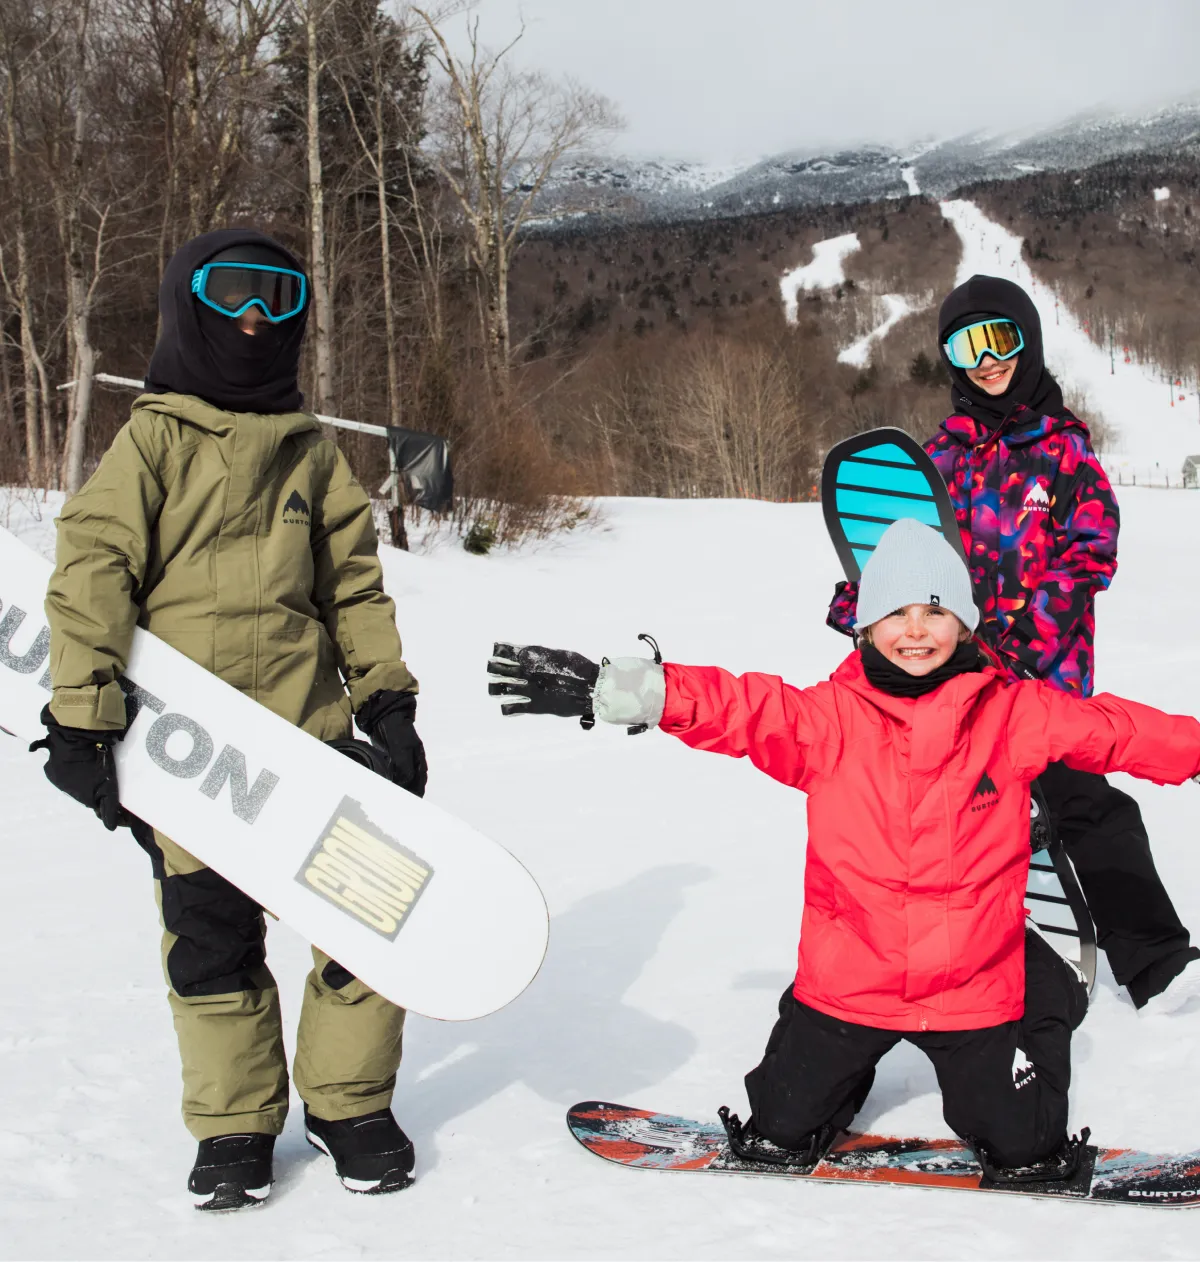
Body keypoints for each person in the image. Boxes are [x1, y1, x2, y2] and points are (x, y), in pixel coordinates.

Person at [485, 518, 1200, 1177]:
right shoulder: (827, 721)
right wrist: (624, 687)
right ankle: (827, 1061)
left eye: (935, 612)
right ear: (864, 625)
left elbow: (1121, 730)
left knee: (1025, 1147)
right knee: (779, 1133)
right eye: (895, 613)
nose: (915, 631)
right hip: (850, 980)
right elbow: (736, 706)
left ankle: (1041, 990)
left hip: (971, 987)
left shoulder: (1015, 715)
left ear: (965, 622)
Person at [34, 229, 427, 1210]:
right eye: (234, 295)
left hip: (310, 738)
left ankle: (349, 1103)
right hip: (191, 757)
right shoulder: (154, 442)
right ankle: (236, 1120)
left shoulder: (314, 455)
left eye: (279, 298)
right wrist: (83, 720)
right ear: (188, 306)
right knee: (212, 940)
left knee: (364, 924)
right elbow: (93, 572)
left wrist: (389, 700)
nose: (255, 317)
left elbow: (355, 589)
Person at [828, 274, 1200, 1014]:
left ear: (1027, 341)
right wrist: (865, 604)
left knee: (1088, 807)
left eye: (1000, 338)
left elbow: (1092, 550)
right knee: (937, 824)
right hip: (960, 680)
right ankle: (942, 977)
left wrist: (1032, 630)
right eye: (964, 345)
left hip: (1045, 678)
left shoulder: (1064, 451)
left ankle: (1158, 963)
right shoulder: (941, 458)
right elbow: (905, 553)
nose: (985, 358)